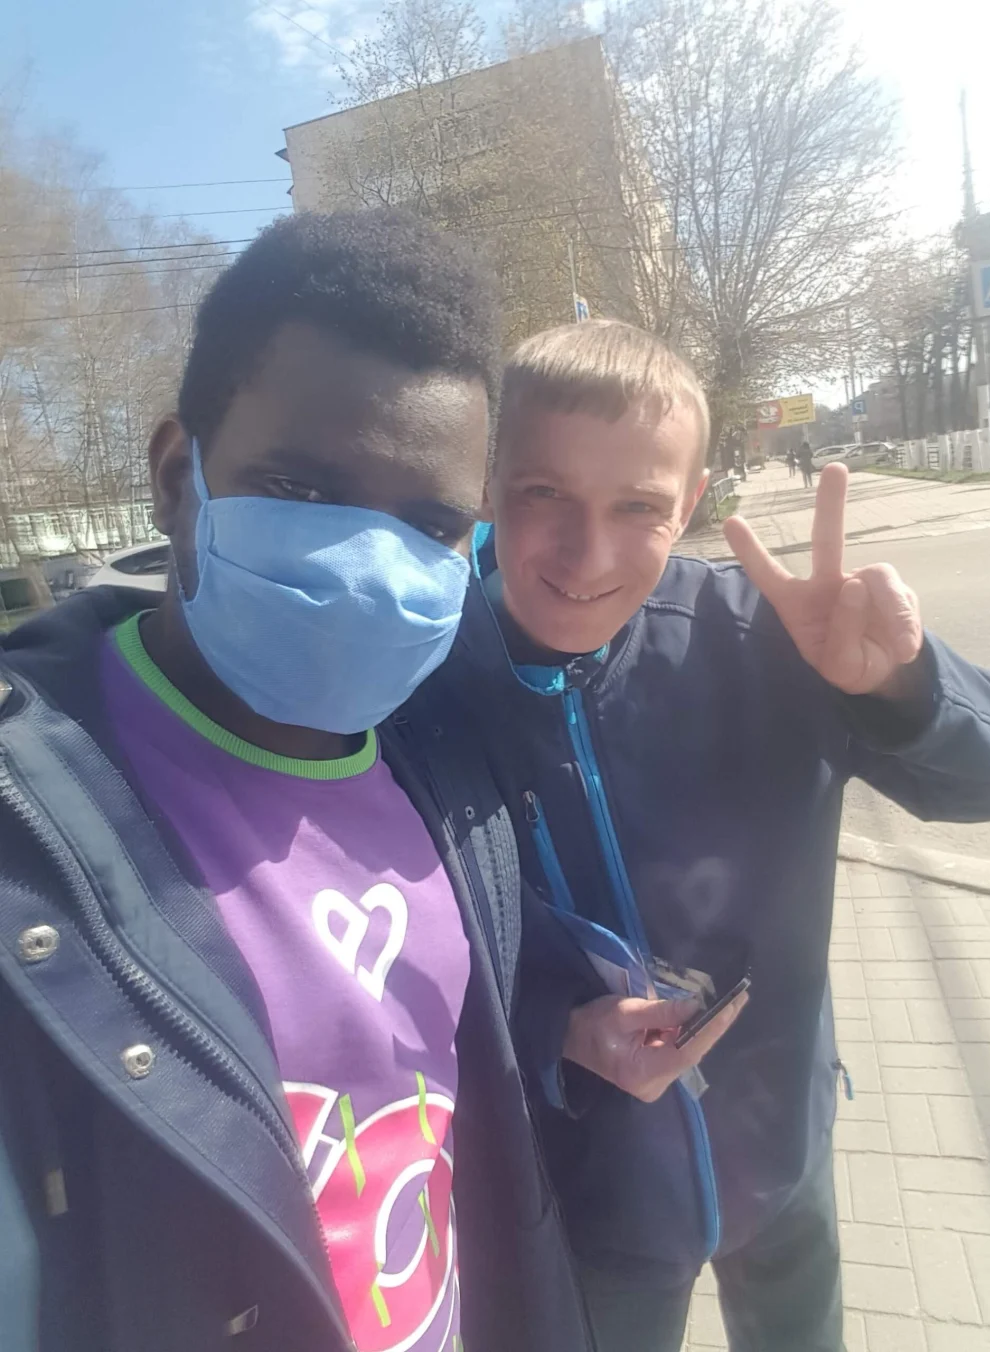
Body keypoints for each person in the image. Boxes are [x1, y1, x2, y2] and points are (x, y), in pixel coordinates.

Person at [0, 211, 616, 1352]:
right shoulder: (30, 838)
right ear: (180, 478)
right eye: (307, 488)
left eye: (431, 521)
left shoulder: (444, 776)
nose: (368, 570)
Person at [439, 319, 990, 1352]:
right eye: (543, 495)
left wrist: (900, 687)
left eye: (639, 507)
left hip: (781, 1151)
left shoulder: (772, 634)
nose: (589, 554)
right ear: (488, 484)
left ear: (692, 503)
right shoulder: (424, 697)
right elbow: (410, 957)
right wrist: (554, 1030)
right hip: (589, 1197)